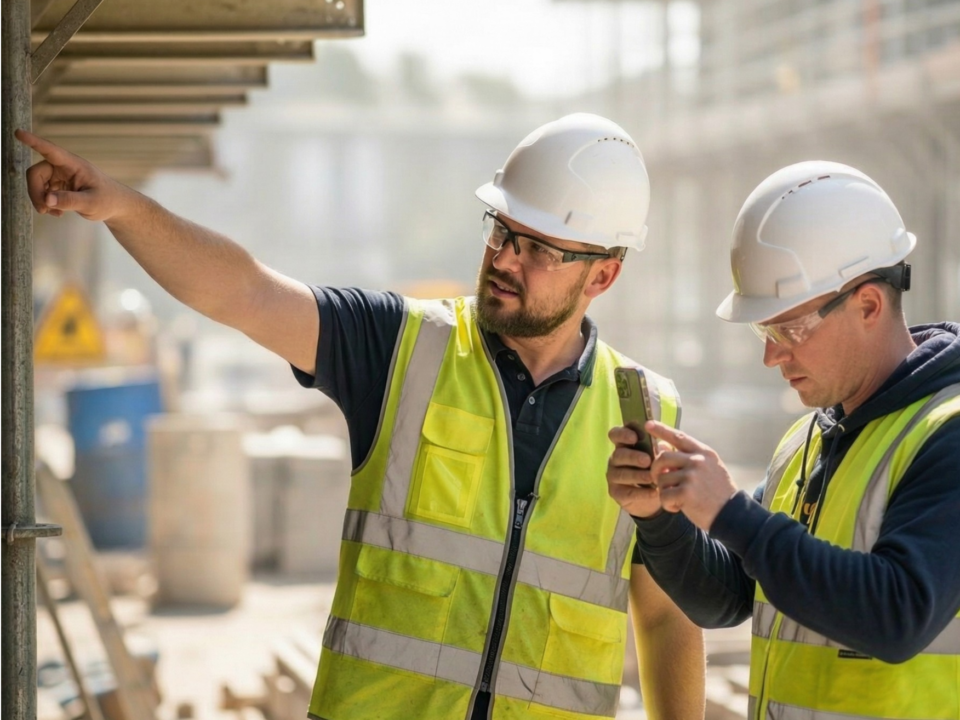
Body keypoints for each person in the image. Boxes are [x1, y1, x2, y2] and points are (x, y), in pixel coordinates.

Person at [17, 114, 705, 720]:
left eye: (539, 250)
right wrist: (122, 208)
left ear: (603, 275)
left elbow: (668, 618)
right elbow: (248, 293)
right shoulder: (400, 347)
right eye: (502, 231)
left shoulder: (646, 415)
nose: (503, 259)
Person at [606, 160, 960, 720]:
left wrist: (730, 512)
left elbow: (898, 615)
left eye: (789, 329)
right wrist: (659, 518)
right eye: (763, 330)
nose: (771, 355)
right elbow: (728, 597)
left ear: (868, 305)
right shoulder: (808, 438)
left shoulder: (947, 433)